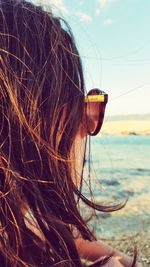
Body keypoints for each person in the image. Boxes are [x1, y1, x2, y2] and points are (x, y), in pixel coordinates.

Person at [0, 0, 142, 266]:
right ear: (54, 122)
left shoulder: (14, 225)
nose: (88, 129)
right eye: (87, 111)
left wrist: (109, 253)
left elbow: (44, 232)